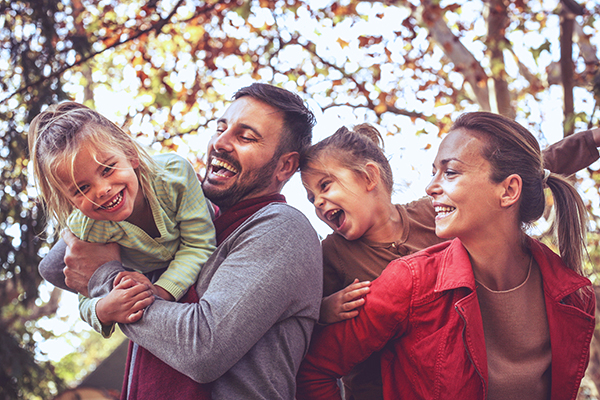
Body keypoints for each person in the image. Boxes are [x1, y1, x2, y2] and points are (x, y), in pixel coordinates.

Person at [38, 83, 323, 399]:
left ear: (285, 165)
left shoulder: (280, 229)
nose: (220, 143)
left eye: (245, 137)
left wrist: (103, 278)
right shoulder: (177, 223)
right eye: (220, 128)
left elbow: (203, 348)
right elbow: (54, 267)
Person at [297, 111, 596, 400]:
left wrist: (590, 141)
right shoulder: (338, 256)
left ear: (369, 177)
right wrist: (320, 311)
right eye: (311, 198)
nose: (318, 202)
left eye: (325, 185)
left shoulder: (429, 215)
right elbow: (305, 343)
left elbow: (529, 169)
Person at [28, 102, 216, 336]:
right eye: (82, 188)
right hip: (144, 267)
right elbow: (84, 288)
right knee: (51, 267)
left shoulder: (173, 176)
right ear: (69, 201)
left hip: (199, 228)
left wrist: (160, 291)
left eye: (107, 169)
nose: (102, 190)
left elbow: (198, 243)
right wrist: (104, 309)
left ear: (130, 154)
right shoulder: (88, 226)